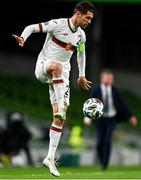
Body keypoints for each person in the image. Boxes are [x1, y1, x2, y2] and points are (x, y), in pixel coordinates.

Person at [12, 1, 96, 176]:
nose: (89, 21)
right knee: (57, 66)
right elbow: (32, 27)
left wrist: (81, 75)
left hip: (63, 76)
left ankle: (49, 158)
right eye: (87, 17)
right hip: (44, 67)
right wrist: (23, 37)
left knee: (59, 117)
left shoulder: (81, 36)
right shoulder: (57, 24)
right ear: (78, 13)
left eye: (91, 19)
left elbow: (81, 53)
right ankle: (60, 109)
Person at [84, 69, 137, 170]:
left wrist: (131, 116)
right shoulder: (96, 89)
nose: (110, 80)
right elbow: (90, 103)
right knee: (100, 142)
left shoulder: (114, 90)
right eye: (108, 78)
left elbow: (122, 103)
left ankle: (105, 164)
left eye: (111, 78)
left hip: (111, 118)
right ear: (102, 78)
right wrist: (87, 117)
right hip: (100, 119)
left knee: (108, 140)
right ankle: (101, 160)